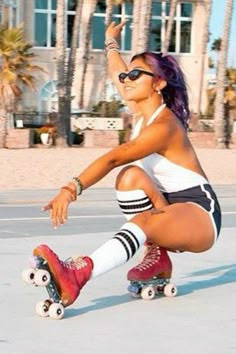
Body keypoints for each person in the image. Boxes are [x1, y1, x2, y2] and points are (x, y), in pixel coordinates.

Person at [33, 21, 221, 307]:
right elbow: (115, 71)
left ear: (158, 83)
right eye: (128, 74)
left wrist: (70, 189)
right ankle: (157, 255)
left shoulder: (165, 125)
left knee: (136, 204)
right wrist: (110, 42)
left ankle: (78, 274)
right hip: (168, 204)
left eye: (136, 74)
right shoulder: (139, 109)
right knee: (129, 177)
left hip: (199, 212)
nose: (127, 78)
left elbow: (113, 156)